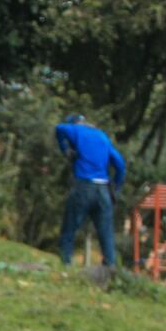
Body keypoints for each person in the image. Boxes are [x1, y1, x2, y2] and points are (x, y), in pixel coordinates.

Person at [54, 114, 125, 268]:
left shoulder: (77, 130)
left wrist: (65, 149)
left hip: (84, 186)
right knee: (105, 231)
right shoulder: (102, 137)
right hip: (103, 189)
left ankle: (65, 263)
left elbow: (59, 128)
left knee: (70, 226)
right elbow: (119, 163)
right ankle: (110, 266)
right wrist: (117, 187)